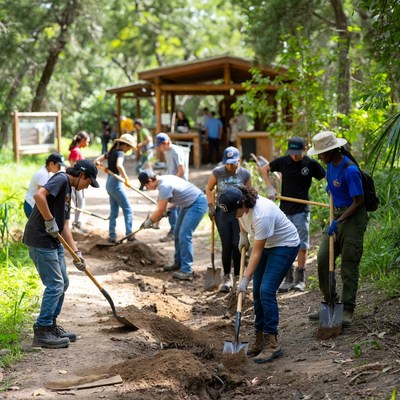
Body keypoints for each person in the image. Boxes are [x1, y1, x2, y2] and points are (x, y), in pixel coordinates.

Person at [22, 160, 99, 349]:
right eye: (88, 182)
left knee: (63, 282)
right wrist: (48, 220)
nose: (86, 188)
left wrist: (77, 253)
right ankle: (42, 330)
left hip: (53, 240)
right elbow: (39, 195)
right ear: (82, 175)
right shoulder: (62, 179)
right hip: (40, 239)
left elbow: (64, 226)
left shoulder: (69, 191)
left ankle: (51, 326)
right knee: (55, 285)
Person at [219, 186, 300, 363]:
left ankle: (272, 344)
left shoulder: (262, 214)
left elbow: (256, 253)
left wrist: (245, 278)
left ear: (242, 203)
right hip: (267, 245)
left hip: (284, 245)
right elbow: (241, 218)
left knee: (266, 291)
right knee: (256, 292)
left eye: (234, 211)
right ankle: (259, 337)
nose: (234, 215)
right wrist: (243, 235)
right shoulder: (242, 208)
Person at [307, 131, 369, 327]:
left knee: (349, 265)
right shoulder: (329, 166)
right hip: (337, 216)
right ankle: (330, 302)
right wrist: (331, 189)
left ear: (334, 150)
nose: (319, 157)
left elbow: (359, 201)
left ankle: (348, 309)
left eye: (322, 153)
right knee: (324, 258)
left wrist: (339, 221)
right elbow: (334, 185)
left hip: (352, 218)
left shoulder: (350, 170)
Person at [260, 136, 326, 292]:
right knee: (285, 244)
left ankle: (300, 279)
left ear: (304, 149)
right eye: (292, 152)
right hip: (284, 211)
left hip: (302, 209)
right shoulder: (283, 161)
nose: (294, 155)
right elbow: (264, 168)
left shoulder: (310, 164)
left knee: (302, 245)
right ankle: (288, 279)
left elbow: (326, 176)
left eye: (298, 152)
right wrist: (270, 187)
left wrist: (331, 191)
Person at [138, 169, 208, 281]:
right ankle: (178, 263)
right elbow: (176, 198)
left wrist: (149, 222)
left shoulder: (164, 186)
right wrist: (166, 209)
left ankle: (187, 270)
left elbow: (160, 210)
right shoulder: (165, 179)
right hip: (187, 204)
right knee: (177, 233)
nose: (146, 188)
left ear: (150, 180)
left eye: (146, 186)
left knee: (185, 235)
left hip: (197, 204)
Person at [206, 146, 251, 292]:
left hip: (239, 212)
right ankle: (227, 276)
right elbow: (209, 188)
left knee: (237, 243)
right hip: (223, 211)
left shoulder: (245, 174)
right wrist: (211, 206)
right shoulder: (217, 172)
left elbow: (249, 193)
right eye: (228, 163)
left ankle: (238, 275)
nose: (230, 166)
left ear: (239, 160)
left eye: (233, 163)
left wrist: (248, 211)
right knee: (226, 244)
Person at [95, 133, 136, 243]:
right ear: (125, 145)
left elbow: (97, 160)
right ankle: (129, 235)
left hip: (109, 183)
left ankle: (112, 236)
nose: (129, 150)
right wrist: (126, 178)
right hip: (115, 184)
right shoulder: (121, 153)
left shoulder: (111, 152)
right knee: (128, 210)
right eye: (130, 147)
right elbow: (119, 165)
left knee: (114, 211)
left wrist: (101, 165)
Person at [153, 133, 189, 242]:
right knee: (168, 206)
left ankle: (174, 231)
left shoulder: (176, 151)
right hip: (171, 181)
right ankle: (173, 229)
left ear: (166, 143)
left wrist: (172, 181)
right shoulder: (167, 151)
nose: (159, 148)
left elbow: (181, 170)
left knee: (172, 207)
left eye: (160, 145)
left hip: (178, 182)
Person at [24, 153, 66, 218]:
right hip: (31, 205)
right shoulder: (43, 174)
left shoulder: (46, 172)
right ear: (51, 163)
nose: (59, 168)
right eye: (58, 166)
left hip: (33, 204)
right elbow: (42, 195)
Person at [68, 131, 90, 232]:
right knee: (79, 203)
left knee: (80, 202)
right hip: (75, 182)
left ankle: (77, 223)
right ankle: (76, 224)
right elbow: (72, 167)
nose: (88, 144)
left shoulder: (77, 150)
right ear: (82, 140)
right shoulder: (76, 151)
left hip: (78, 181)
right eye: (87, 142)